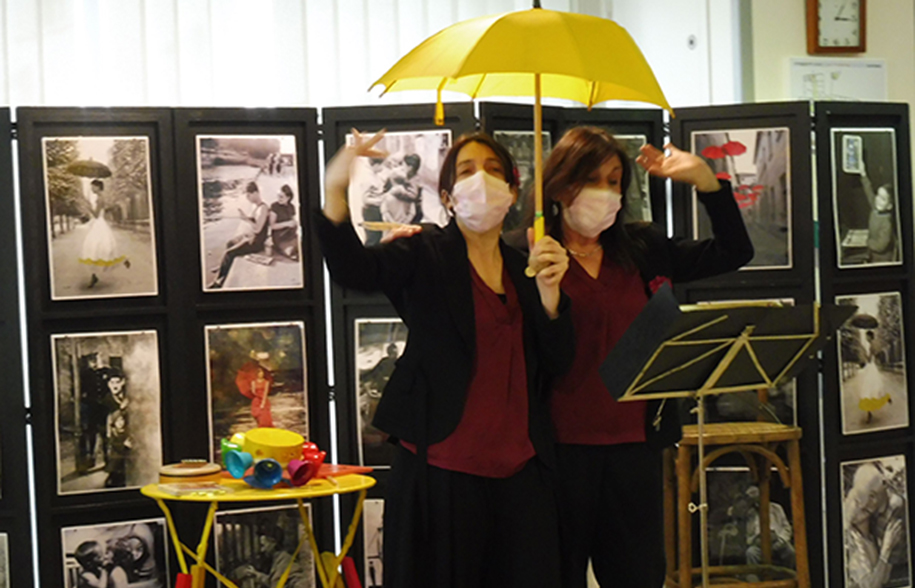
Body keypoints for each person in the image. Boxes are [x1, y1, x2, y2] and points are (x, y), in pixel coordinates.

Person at [316, 129, 573, 588]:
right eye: (468, 171)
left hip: (522, 472)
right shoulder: (423, 250)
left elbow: (558, 363)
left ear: (513, 193)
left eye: (495, 171)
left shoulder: (528, 267)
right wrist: (335, 186)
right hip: (443, 468)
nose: (482, 181)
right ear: (449, 197)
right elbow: (354, 270)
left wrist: (551, 298)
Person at [536, 126, 753, 588]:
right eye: (591, 179)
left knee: (638, 576)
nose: (605, 192)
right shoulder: (528, 251)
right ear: (559, 185)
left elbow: (736, 251)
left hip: (635, 445)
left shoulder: (644, 247)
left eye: (615, 181)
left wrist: (706, 181)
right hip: (555, 451)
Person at [845, 463, 907, 588]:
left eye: (872, 496)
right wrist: (886, 549)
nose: (864, 504)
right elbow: (870, 585)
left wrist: (888, 550)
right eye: (857, 499)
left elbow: (884, 579)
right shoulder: (850, 536)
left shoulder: (876, 530)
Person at [209, 182, 269, 289]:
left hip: (255, 242)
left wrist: (246, 219)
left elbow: (258, 229)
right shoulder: (256, 206)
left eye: (248, 195)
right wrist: (245, 217)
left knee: (229, 253)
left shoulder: (263, 208)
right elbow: (254, 222)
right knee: (230, 243)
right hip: (251, 236)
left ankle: (218, 281)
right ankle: (222, 267)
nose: (247, 198)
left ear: (255, 193)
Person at [79, 179, 130, 289]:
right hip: (98, 224)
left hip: (99, 224)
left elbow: (96, 215)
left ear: (98, 187)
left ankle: (95, 275)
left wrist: (88, 207)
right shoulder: (100, 197)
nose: (92, 188)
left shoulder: (100, 198)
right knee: (100, 249)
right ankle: (94, 275)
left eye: (93, 186)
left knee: (96, 248)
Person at [236, 525, 310, 588]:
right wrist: (256, 574)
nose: (262, 550)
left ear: (273, 543)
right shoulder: (277, 560)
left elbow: (302, 584)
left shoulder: (286, 561)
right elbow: (274, 583)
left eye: (263, 546)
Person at [859, 160, 897, 263]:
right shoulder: (875, 207)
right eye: (878, 195)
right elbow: (868, 191)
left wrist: (867, 242)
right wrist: (863, 174)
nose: (878, 199)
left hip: (882, 259)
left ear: (889, 206)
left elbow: (880, 246)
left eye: (883, 198)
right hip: (872, 253)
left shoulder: (886, 223)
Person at [102, 369, 131, 488]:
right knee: (115, 454)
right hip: (115, 434)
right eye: (112, 383)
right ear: (108, 384)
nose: (115, 385)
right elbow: (107, 420)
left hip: (129, 431)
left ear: (123, 382)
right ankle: (114, 477)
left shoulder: (128, 397)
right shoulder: (107, 400)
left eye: (117, 382)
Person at [856, 330, 892, 423]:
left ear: (871, 337)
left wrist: (867, 355)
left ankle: (870, 411)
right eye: (865, 336)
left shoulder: (872, 345)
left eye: (867, 336)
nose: (866, 338)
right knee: (869, 388)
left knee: (871, 388)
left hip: (871, 367)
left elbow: (872, 356)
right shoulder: (867, 345)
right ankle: (869, 412)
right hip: (869, 367)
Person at [268, 184, 299, 260]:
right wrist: (287, 224)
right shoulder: (275, 206)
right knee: (291, 253)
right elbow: (272, 225)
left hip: (291, 235)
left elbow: (293, 220)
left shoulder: (291, 207)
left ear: (288, 198)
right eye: (278, 196)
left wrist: (295, 223)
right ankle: (279, 248)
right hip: (280, 237)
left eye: (281, 197)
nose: (279, 198)